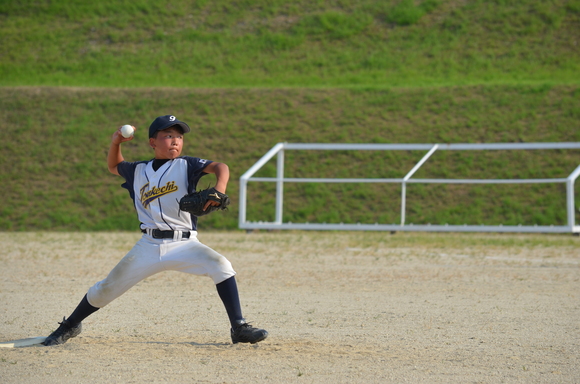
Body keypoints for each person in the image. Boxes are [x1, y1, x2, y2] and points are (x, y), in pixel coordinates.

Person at [43, 115, 268, 346]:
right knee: (105, 289)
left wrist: (220, 188)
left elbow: (221, 167)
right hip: (149, 246)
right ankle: (69, 326)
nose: (175, 141)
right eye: (168, 135)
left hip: (185, 244)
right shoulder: (137, 170)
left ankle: (239, 327)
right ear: (152, 142)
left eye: (179, 136)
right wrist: (116, 142)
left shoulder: (187, 165)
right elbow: (113, 166)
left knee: (221, 265)